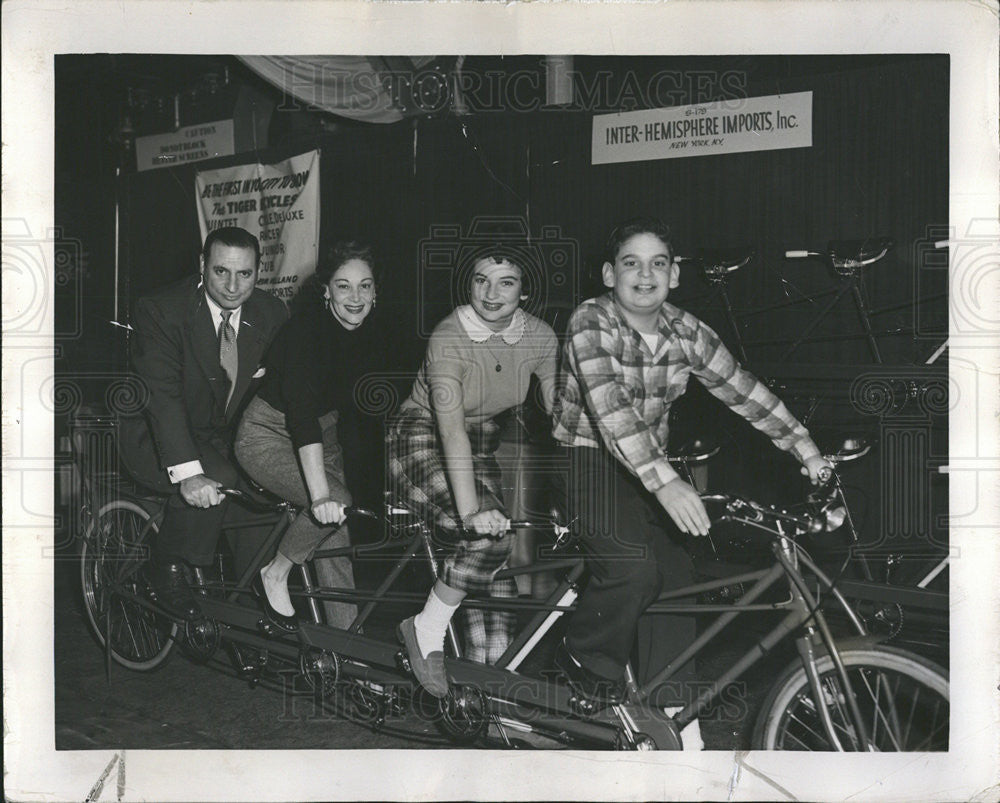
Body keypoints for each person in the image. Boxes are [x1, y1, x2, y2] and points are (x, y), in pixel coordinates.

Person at [551, 217, 830, 735]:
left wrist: (806, 449)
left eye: (658, 263)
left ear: (675, 275)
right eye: (631, 263)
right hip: (586, 458)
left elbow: (743, 391)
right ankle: (586, 659)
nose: (645, 274)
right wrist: (665, 481)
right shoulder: (592, 320)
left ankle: (669, 712)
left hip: (648, 463)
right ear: (609, 274)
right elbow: (612, 413)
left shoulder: (687, 331)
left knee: (678, 580)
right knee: (633, 568)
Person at [389, 249, 558, 697]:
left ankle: (495, 691)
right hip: (421, 435)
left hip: (480, 443)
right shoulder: (449, 335)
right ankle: (425, 628)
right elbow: (450, 431)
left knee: (496, 560)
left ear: (526, 290)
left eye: (505, 282)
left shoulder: (540, 337)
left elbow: (562, 413)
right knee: (489, 536)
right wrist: (470, 513)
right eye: (481, 280)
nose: (491, 293)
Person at [118, 226, 288, 620]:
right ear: (201, 266)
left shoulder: (272, 313)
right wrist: (189, 473)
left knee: (264, 488)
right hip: (157, 434)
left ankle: (252, 595)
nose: (232, 286)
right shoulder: (161, 310)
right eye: (220, 272)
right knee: (219, 475)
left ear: (258, 271)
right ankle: (165, 565)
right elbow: (162, 397)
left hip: (223, 436)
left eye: (244, 274)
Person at [234, 241, 386, 633]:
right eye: (343, 286)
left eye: (364, 286)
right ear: (325, 291)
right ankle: (276, 572)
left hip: (323, 436)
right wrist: (321, 495)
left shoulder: (371, 336)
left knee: (337, 533)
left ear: (375, 291)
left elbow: (366, 414)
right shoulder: (305, 332)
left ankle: (346, 647)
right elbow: (301, 416)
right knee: (333, 503)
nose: (355, 298)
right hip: (266, 434)